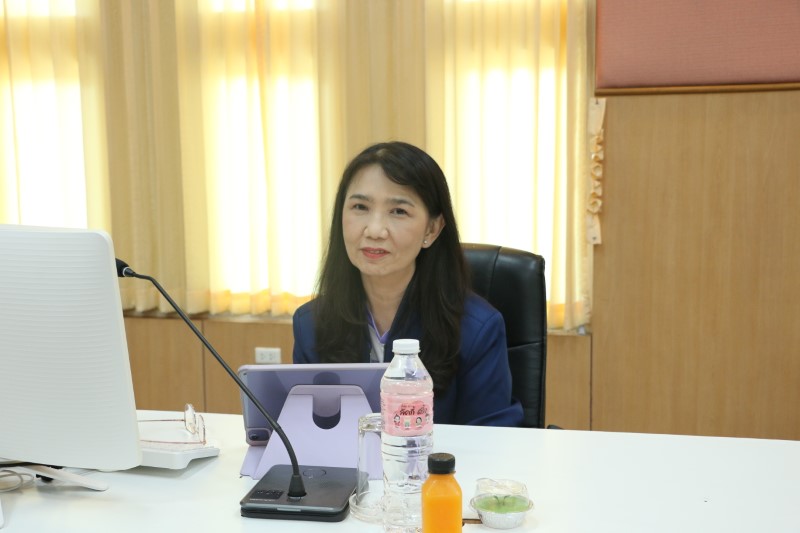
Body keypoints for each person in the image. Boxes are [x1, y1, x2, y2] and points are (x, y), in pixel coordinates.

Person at [292, 141, 523, 427]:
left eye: (398, 211)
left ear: (432, 229)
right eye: (360, 207)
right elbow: (306, 433)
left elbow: (494, 438)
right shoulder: (311, 323)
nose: (375, 230)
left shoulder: (476, 329)